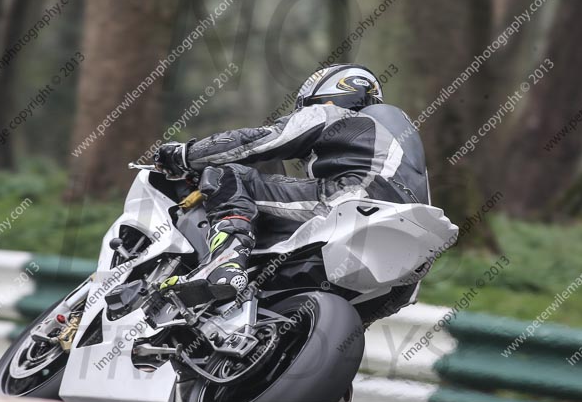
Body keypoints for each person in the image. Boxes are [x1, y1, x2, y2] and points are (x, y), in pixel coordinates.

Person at [154, 63, 429, 319]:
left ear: (325, 97)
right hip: (407, 267)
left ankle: (224, 263)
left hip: (355, 199)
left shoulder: (334, 112)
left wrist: (185, 154)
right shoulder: (401, 142)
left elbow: (261, 142)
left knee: (228, 173)